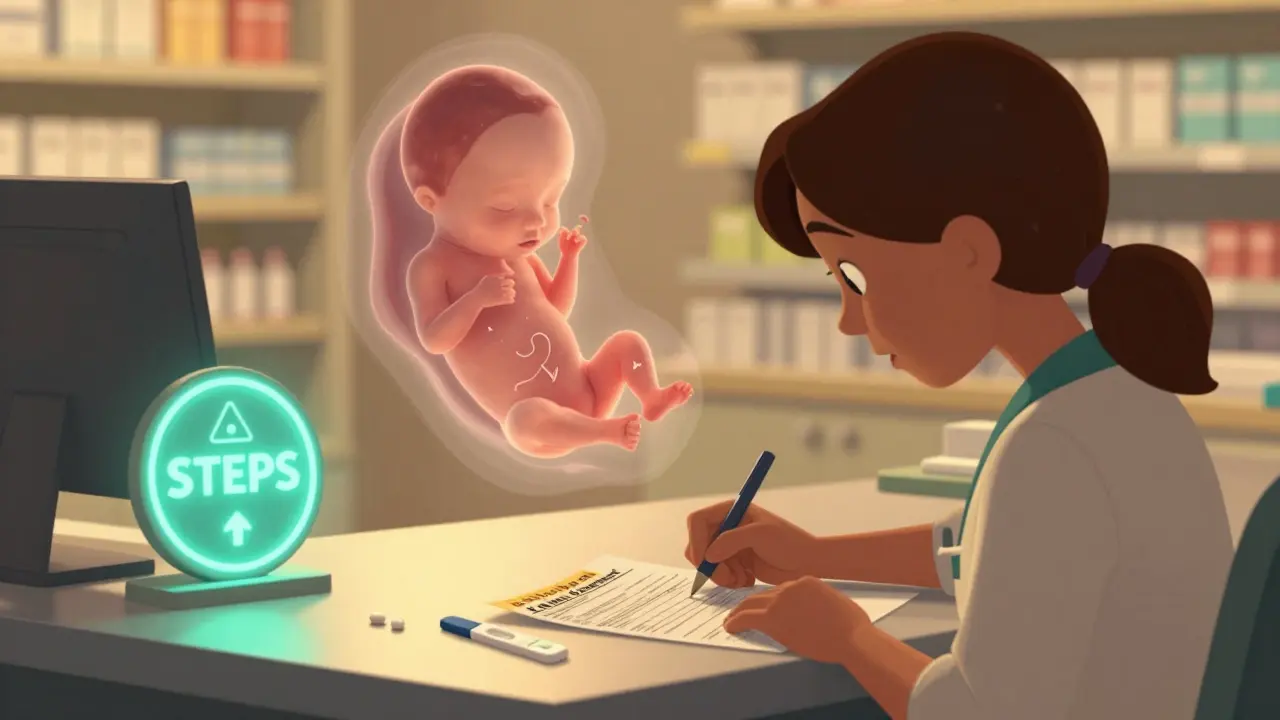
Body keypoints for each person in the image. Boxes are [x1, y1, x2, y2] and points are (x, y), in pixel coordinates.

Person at [684, 32, 1233, 720]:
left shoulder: (1055, 446)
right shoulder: (1110, 393)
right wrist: (812, 553)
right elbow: (982, 551)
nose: (848, 322)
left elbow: (977, 711)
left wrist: (848, 636)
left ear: (969, 251)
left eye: (853, 276)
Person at [368, 65, 692, 459]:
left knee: (627, 343)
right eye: (506, 205)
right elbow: (435, 339)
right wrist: (476, 299)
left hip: (588, 386)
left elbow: (555, 307)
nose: (538, 221)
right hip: (543, 425)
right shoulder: (433, 266)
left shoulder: (518, 257)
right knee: (521, 422)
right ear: (430, 201)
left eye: (551, 200)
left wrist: (569, 260)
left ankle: (651, 396)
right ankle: (602, 431)